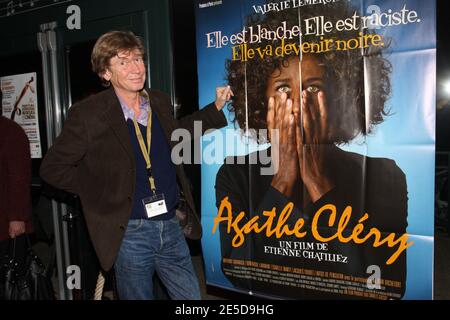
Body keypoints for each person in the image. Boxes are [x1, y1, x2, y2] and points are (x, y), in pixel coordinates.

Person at [215, 2, 408, 300]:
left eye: (313, 87)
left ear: (338, 96)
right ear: (258, 99)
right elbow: (238, 270)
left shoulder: (384, 174)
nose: (297, 103)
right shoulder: (235, 173)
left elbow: (383, 286)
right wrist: (283, 179)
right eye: (282, 89)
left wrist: (318, 183)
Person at [40, 30, 232, 300]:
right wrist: (100, 191)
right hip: (130, 231)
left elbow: (176, 134)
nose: (136, 68)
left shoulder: (159, 100)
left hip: (171, 222)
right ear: (106, 72)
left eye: (139, 59)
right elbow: (52, 168)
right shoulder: (89, 114)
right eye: (124, 62)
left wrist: (216, 107)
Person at [0, 89, 34, 276]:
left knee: (11, 281)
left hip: (7, 226)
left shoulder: (11, 132)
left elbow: (19, 177)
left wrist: (17, 217)